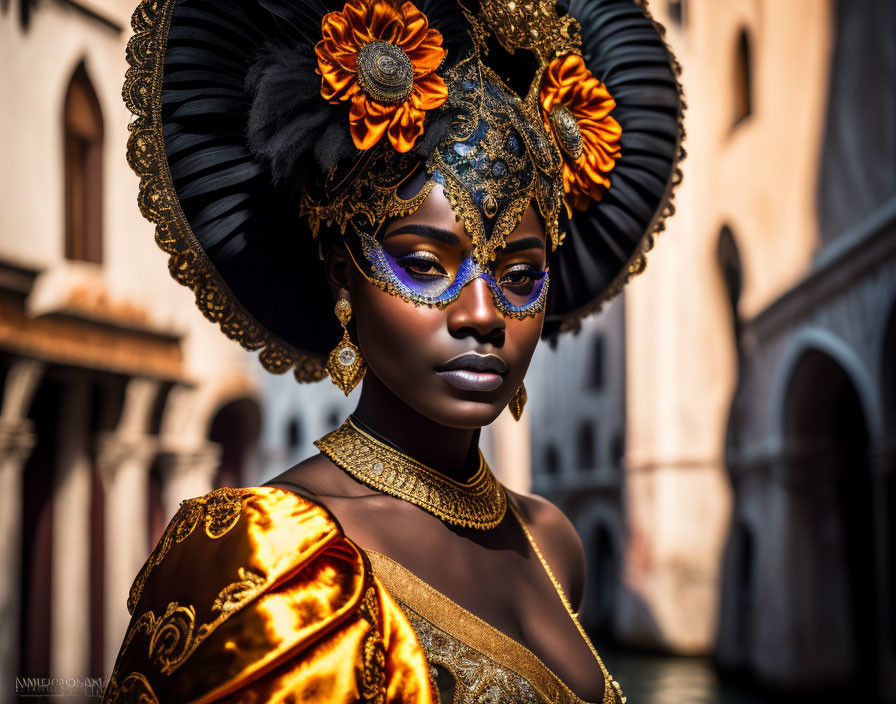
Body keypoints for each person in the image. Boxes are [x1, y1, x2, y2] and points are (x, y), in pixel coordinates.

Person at [104, 0, 683, 701]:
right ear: (341, 271)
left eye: (521, 277)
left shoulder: (552, 541)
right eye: (425, 265)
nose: (483, 315)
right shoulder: (271, 564)